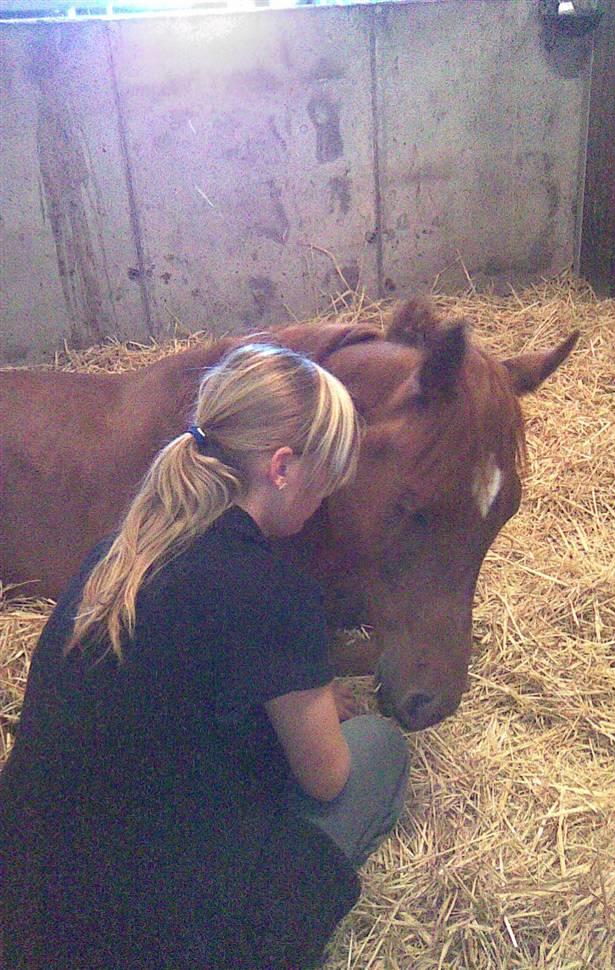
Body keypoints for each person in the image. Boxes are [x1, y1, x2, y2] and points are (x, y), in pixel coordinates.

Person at [0, 343, 410, 970]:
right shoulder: (278, 592)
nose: (324, 501)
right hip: (153, 938)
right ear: (281, 468)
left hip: (24, 897)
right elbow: (326, 778)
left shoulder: (118, 556)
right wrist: (322, 707)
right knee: (380, 747)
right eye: (324, 479)